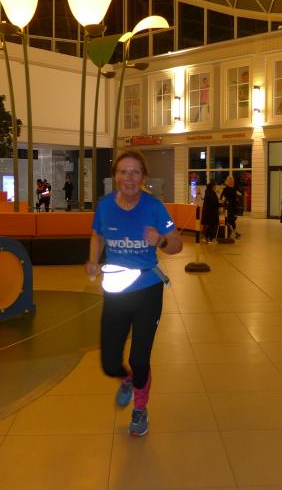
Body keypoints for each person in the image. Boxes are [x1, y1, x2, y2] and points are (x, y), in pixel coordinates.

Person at [85, 149, 182, 437]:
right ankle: (127, 379)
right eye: (123, 172)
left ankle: (140, 407)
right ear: (115, 176)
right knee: (109, 363)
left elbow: (177, 244)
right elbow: (97, 235)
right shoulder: (105, 206)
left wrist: (160, 240)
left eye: (135, 172)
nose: (129, 177)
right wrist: (93, 260)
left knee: (140, 358)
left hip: (147, 289)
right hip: (116, 289)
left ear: (143, 177)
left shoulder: (154, 207)